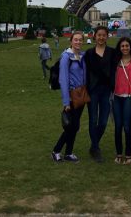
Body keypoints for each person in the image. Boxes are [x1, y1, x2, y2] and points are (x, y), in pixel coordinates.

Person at [51, 31, 87, 163]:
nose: (78, 42)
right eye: (76, 40)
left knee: (75, 126)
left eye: (80, 40)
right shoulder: (66, 57)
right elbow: (63, 80)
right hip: (72, 96)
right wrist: (66, 102)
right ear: (71, 41)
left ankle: (69, 153)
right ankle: (56, 150)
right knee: (71, 126)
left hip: (81, 95)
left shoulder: (82, 56)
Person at [84, 26, 116, 162]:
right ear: (94, 36)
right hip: (93, 91)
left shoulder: (113, 52)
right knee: (93, 120)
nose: (101, 37)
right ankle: (96, 148)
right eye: (99, 35)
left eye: (104, 35)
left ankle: (93, 145)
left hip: (106, 91)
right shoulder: (89, 53)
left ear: (107, 36)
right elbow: (84, 72)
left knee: (103, 122)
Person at [113, 37, 131, 165]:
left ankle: (128, 155)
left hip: (129, 97)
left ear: (130, 47)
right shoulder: (115, 61)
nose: (124, 48)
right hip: (116, 97)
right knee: (118, 127)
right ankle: (119, 154)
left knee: (127, 127)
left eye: (127, 46)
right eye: (122, 46)